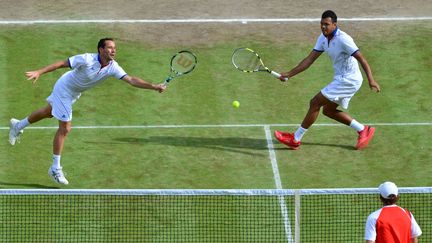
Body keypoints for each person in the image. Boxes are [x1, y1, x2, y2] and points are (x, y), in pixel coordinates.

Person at [8, 38, 166, 185]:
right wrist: (39, 72)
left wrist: (154, 86)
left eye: (115, 48)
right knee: (65, 128)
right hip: (64, 88)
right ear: (100, 49)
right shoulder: (86, 59)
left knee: (48, 112)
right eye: (110, 48)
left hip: (74, 93)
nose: (113, 51)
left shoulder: (113, 67)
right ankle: (55, 168)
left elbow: (131, 80)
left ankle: (18, 126)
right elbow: (62, 64)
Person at [274, 10, 381, 150]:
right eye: (321, 24)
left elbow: (362, 59)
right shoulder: (323, 38)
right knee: (328, 111)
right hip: (341, 78)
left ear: (334, 25)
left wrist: (371, 80)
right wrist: (289, 74)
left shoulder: (344, 39)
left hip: (349, 80)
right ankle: (363, 129)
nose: (323, 27)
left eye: (326, 24)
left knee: (315, 102)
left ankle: (296, 138)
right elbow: (309, 60)